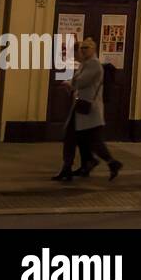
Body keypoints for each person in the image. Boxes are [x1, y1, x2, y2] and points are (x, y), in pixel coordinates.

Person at [52, 38, 122, 182]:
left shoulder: (94, 65)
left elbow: (81, 81)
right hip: (80, 108)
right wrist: (72, 83)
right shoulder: (85, 64)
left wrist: (70, 83)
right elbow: (78, 81)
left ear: (93, 49)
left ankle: (111, 162)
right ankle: (70, 167)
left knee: (93, 141)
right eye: (82, 48)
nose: (83, 50)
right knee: (73, 138)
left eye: (86, 48)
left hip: (89, 110)